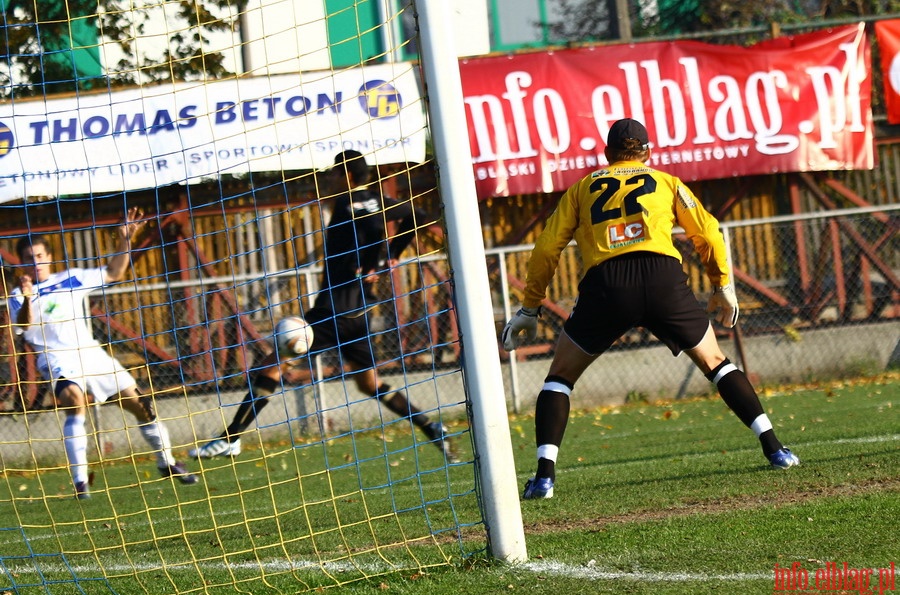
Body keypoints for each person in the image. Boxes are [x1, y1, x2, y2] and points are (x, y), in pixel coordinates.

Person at [502, 118, 800, 500]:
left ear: (607, 153)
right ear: (648, 153)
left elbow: (546, 248)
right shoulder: (665, 181)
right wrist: (722, 285)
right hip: (662, 278)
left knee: (559, 377)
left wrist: (530, 307)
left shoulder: (582, 189)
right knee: (716, 363)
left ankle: (544, 478)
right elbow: (708, 232)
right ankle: (775, 449)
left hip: (607, 284)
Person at [191, 150, 458, 463]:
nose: (329, 178)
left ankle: (231, 438)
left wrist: (376, 260)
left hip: (334, 310)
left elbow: (373, 229)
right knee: (369, 383)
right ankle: (431, 428)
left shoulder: (348, 203)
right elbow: (419, 215)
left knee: (271, 365)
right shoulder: (377, 198)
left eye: (333, 172)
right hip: (359, 312)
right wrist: (390, 255)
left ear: (346, 175)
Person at [8, 207, 198, 500]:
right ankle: (81, 481)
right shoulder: (19, 295)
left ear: (49, 258)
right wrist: (29, 297)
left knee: (143, 406)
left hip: (92, 355)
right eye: (29, 259)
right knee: (74, 401)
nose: (36, 263)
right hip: (57, 358)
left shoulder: (71, 278)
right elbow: (23, 325)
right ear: (21, 263)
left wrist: (125, 240)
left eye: (40, 257)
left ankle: (168, 462)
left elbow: (114, 272)